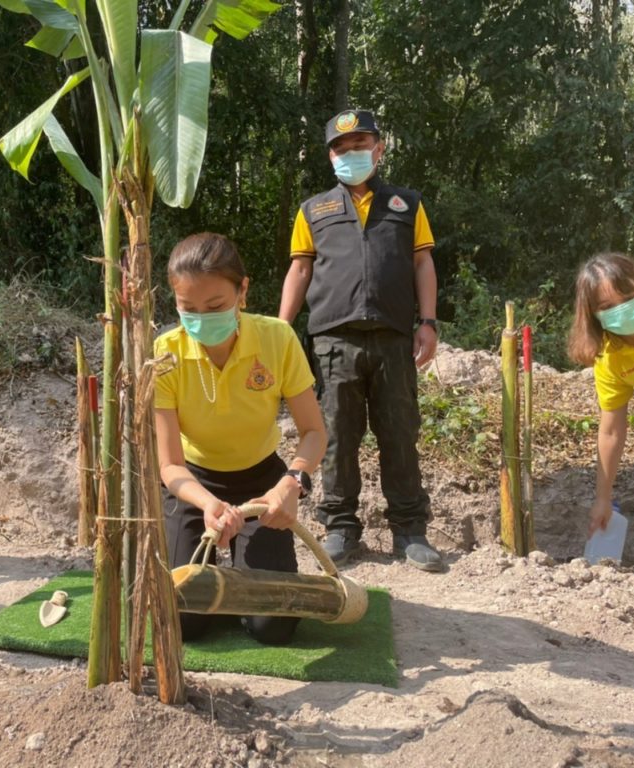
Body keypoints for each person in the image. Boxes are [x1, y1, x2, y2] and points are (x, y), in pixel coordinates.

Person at [278, 108, 443, 572]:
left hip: (394, 340)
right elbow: (300, 269)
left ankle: (410, 531)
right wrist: (279, 328)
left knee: (400, 434)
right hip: (333, 342)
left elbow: (422, 264)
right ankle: (340, 528)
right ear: (330, 156)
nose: (352, 154)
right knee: (335, 438)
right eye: (342, 148)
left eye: (360, 146)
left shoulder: (407, 205)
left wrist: (428, 321)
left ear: (379, 149)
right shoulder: (314, 209)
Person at [154, 232, 328, 645]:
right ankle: (218, 570)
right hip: (194, 488)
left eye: (214, 306)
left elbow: (314, 432)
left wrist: (292, 484)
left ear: (243, 290)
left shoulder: (277, 339)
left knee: (274, 627)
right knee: (182, 621)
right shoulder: (164, 352)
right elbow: (169, 465)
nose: (202, 319)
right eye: (188, 309)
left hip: (263, 483)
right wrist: (210, 505)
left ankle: (239, 581)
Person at [567, 252, 634, 577]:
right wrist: (603, 499)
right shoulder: (609, 357)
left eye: (627, 298)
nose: (621, 310)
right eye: (607, 307)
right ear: (592, 315)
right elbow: (611, 431)